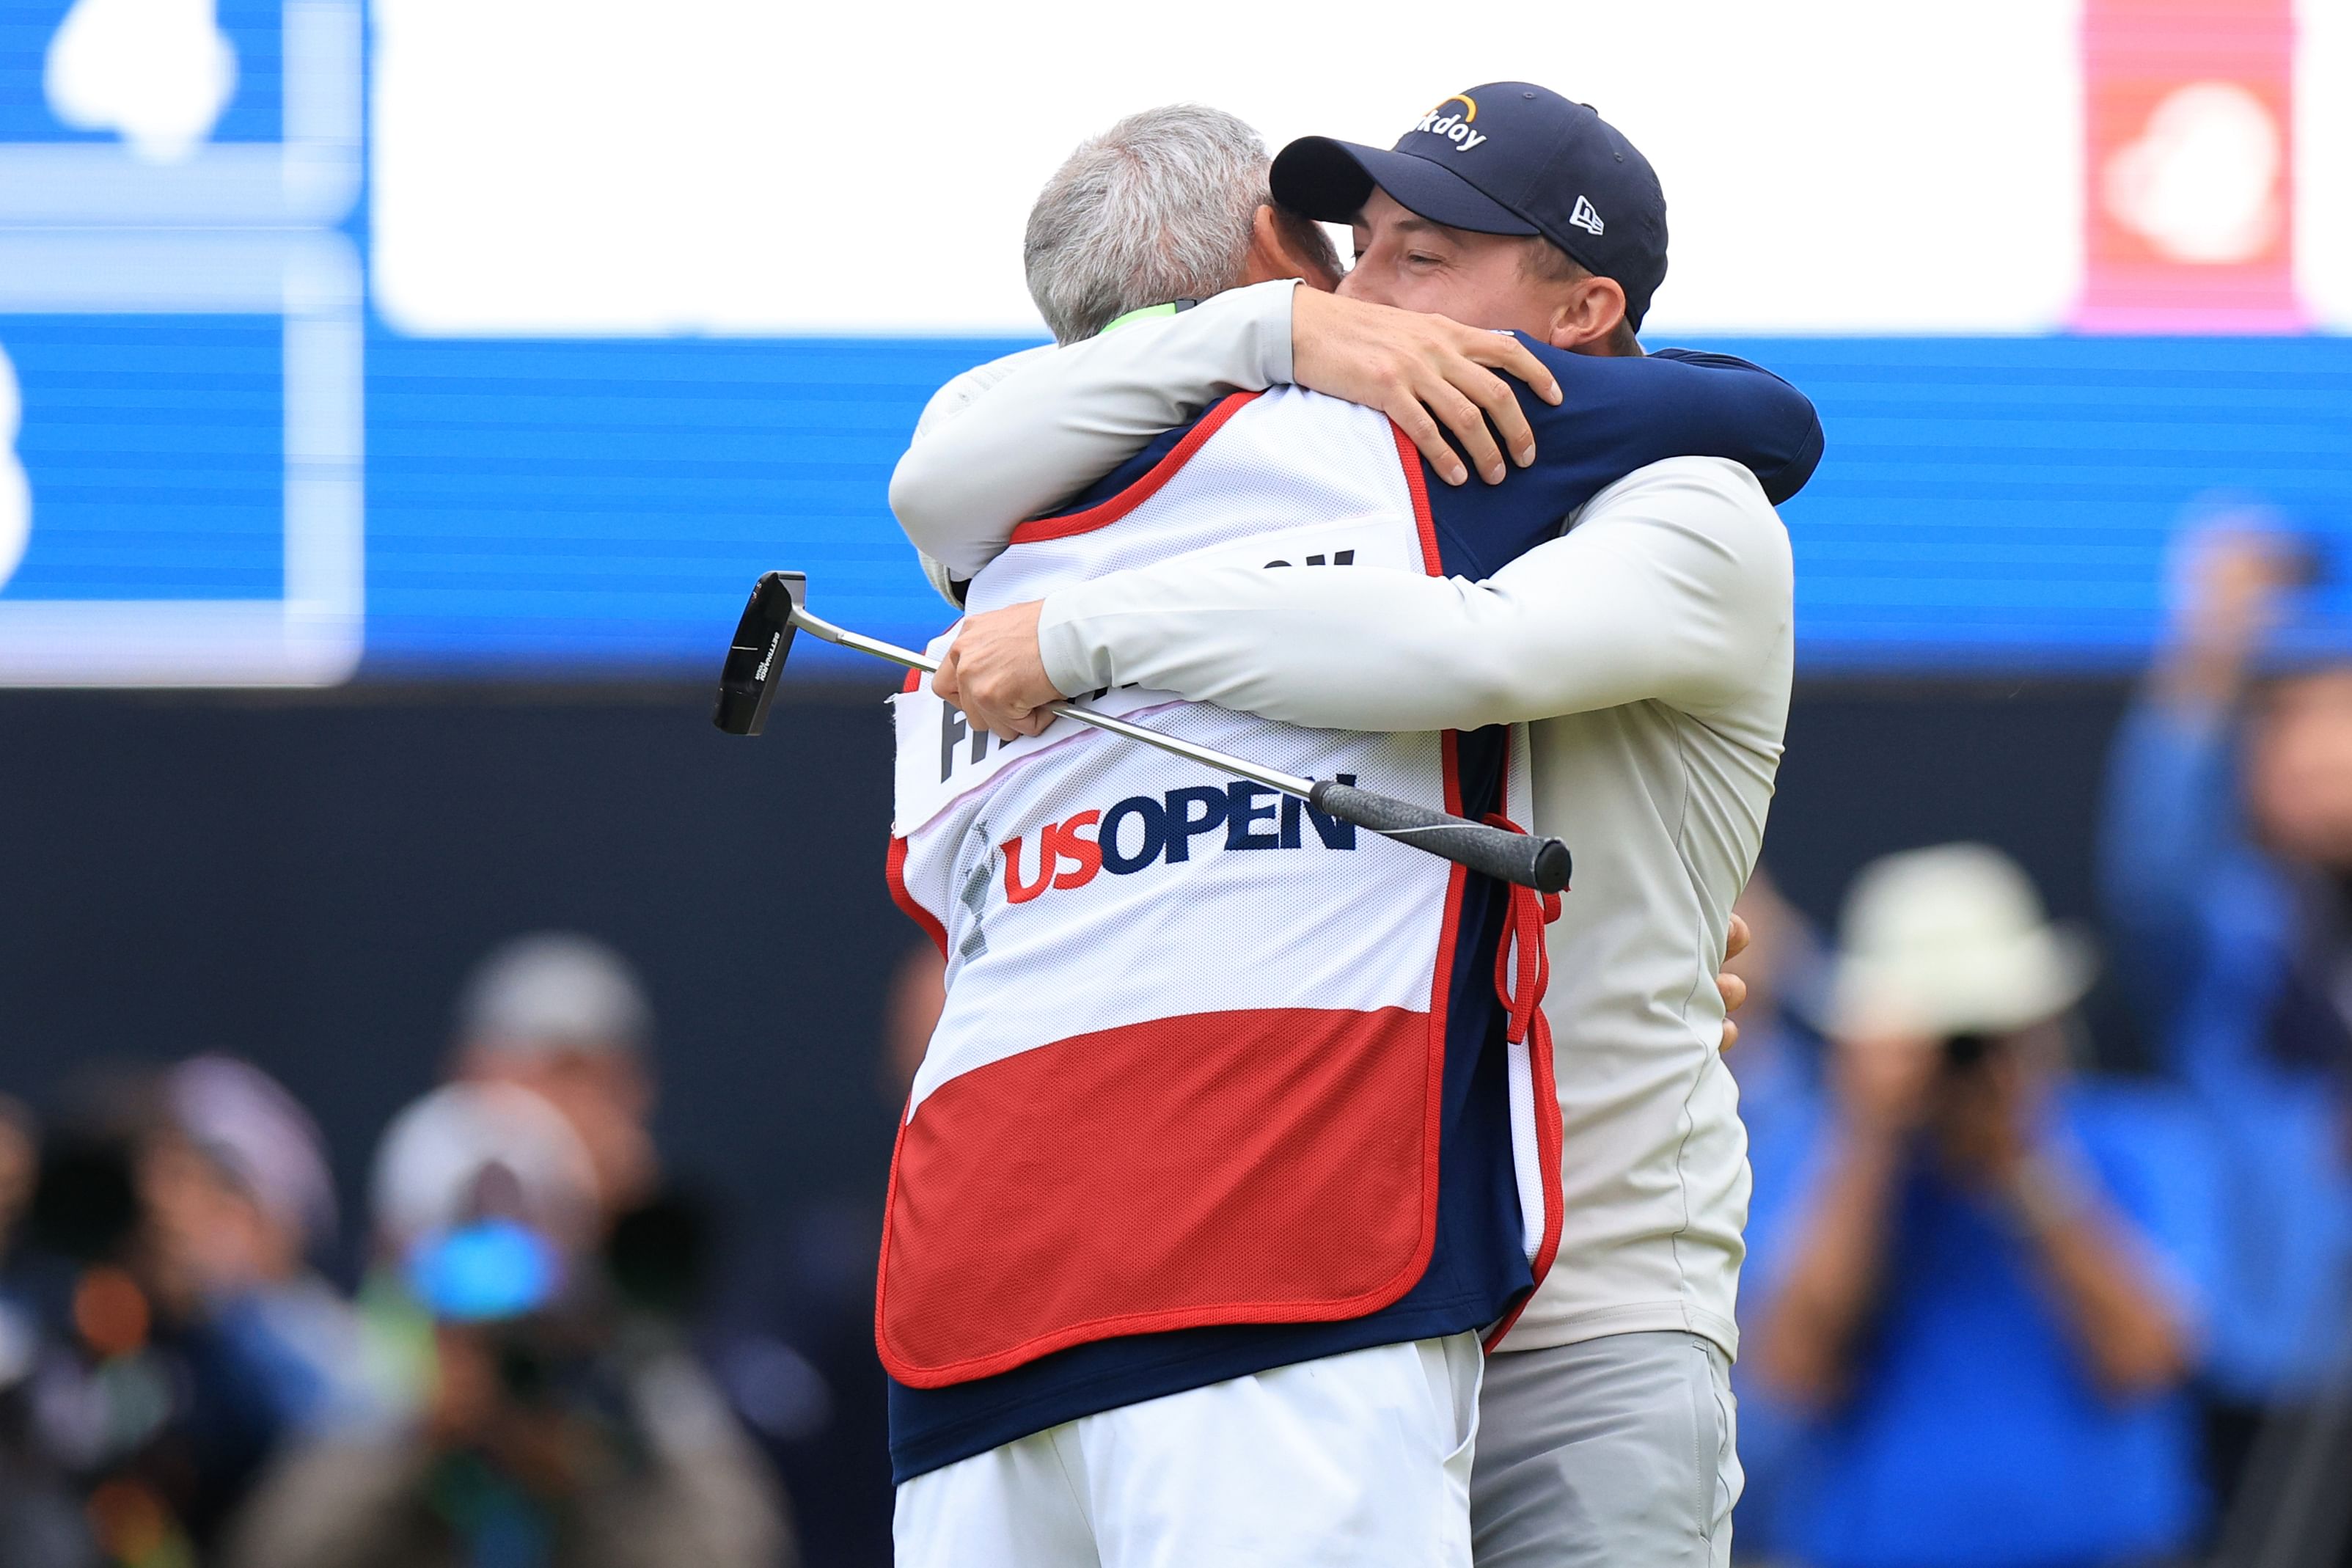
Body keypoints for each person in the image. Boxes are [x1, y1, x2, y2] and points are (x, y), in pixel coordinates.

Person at [885, 92, 1817, 1567]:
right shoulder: (1356, 468)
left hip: (1591, 1309)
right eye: (1359, 247)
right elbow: (941, 472)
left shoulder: (1690, 503)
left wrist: (1081, 631)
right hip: (1374, 1274)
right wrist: (1269, 335)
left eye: (1424, 258)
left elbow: (1472, 652)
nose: (1363, 301)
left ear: (1582, 310)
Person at [1744, 844, 2218, 1568]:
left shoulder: (2138, 1140)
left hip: (2106, 1546)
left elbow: (2150, 1357)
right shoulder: (1815, 1156)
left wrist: (2026, 1168)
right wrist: (1867, 1143)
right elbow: (1794, 1369)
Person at [227, 1080, 793, 1568]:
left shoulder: (625, 1413)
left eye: (525, 1325)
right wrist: (415, 1449)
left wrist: (591, 1467)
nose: (498, 1354)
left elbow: (742, 1549)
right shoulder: (354, 1410)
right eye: (460, 1328)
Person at [2099, 519, 2352, 1549]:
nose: (2329, 752)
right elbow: (2151, 860)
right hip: (2262, 1368)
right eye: (2294, 725)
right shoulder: (2227, 933)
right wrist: (2208, 645)